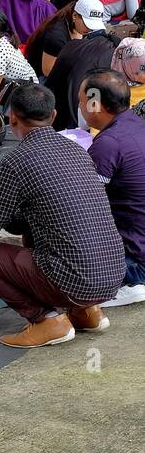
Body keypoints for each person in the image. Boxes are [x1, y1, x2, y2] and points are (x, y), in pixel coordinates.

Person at [0, 84, 122, 347]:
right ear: (53, 115)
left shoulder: (15, 162)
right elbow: (35, 214)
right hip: (112, 272)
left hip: (73, 277)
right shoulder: (77, 150)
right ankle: (86, 312)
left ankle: (46, 319)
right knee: (41, 233)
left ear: (12, 118)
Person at [75, 70, 145, 306]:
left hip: (135, 261)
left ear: (95, 103)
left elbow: (81, 206)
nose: (81, 107)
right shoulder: (137, 124)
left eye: (82, 101)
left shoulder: (108, 144)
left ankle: (127, 284)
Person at [44, 0, 116, 130]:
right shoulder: (57, 36)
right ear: (75, 16)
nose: (90, 29)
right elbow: (49, 73)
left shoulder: (78, 38)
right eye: (87, 23)